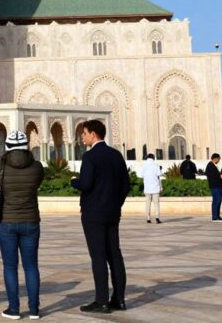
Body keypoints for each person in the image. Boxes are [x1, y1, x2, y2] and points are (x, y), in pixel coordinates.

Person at [70, 119, 129, 314]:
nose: (82, 137)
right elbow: (125, 186)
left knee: (98, 256)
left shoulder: (91, 157)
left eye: (84, 133)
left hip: (94, 214)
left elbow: (86, 184)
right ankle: (119, 299)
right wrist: (115, 204)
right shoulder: (116, 155)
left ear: (93, 134)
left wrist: (74, 182)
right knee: (114, 254)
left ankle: (102, 300)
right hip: (112, 213)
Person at [0, 131, 44, 320]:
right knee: (31, 266)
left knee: (10, 266)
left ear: (7, 146)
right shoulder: (37, 167)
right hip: (31, 221)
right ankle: (34, 309)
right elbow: (36, 185)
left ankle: (14, 308)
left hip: (6, 222)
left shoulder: (0, 166)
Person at [205, 153, 222, 222]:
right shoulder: (210, 166)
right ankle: (215, 217)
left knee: (219, 201)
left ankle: (217, 216)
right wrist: (220, 176)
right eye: (218, 159)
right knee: (216, 201)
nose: (219, 161)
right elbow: (212, 177)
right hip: (214, 186)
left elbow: (217, 175)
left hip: (218, 185)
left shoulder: (214, 166)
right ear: (215, 158)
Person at [140, 154, 162, 224]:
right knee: (156, 204)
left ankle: (148, 218)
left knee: (148, 203)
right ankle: (157, 217)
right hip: (155, 187)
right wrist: (161, 186)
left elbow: (142, 176)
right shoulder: (156, 166)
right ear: (153, 158)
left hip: (147, 188)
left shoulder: (144, 166)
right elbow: (159, 177)